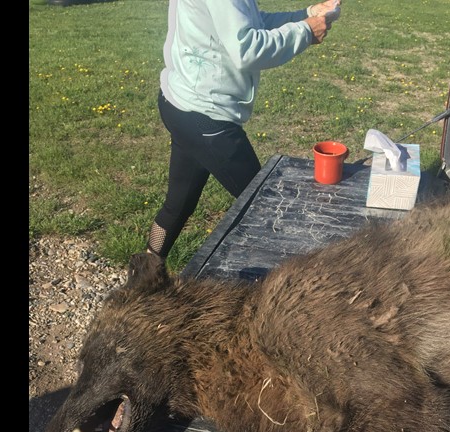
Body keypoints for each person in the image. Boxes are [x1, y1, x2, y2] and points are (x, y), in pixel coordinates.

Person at [146, 0, 342, 260]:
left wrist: (306, 15)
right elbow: (247, 49)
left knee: (177, 205)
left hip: (180, 103)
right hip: (205, 116)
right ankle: (291, 286)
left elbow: (248, 24)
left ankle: (143, 277)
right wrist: (305, 31)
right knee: (267, 207)